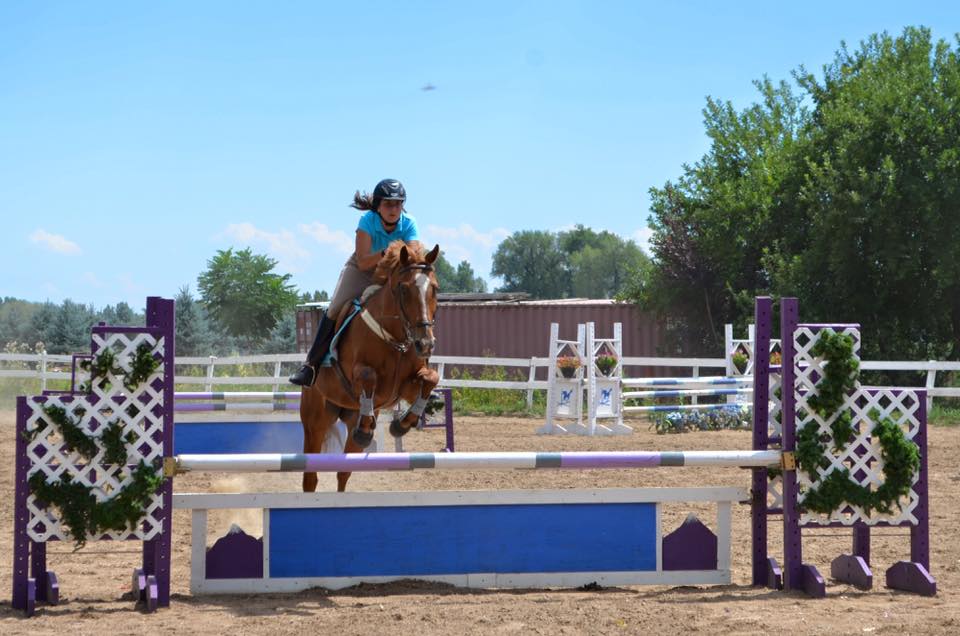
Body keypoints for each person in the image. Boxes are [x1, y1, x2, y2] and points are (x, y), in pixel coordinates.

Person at [289, 178, 420, 386]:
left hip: (392, 274)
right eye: (388, 204)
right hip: (362, 271)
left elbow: (414, 254)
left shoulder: (409, 222)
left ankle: (420, 369)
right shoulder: (367, 221)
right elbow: (363, 260)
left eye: (397, 203)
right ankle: (311, 366)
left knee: (417, 304)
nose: (393, 209)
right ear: (378, 205)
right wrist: (388, 252)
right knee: (334, 308)